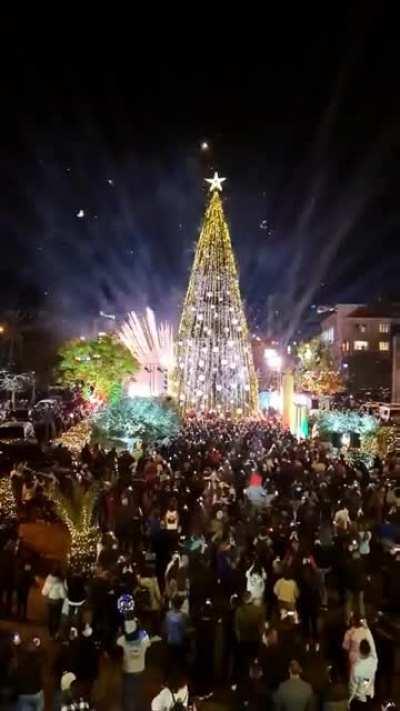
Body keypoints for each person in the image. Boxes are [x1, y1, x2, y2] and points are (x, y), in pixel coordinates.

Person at [117, 618, 151, 711]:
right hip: (140, 669)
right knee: (138, 692)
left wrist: (120, 632)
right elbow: (147, 641)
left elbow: (117, 641)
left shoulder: (123, 639)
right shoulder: (144, 637)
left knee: (128, 694)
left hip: (128, 670)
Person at [349, 639, 377, 708]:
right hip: (369, 695)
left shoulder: (357, 667)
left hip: (359, 698)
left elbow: (354, 685)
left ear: (360, 650)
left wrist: (350, 700)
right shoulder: (373, 662)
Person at [41, 567, 67, 638]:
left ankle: (50, 633)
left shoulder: (48, 581)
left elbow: (43, 592)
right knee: (57, 618)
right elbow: (63, 595)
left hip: (50, 601)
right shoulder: (60, 583)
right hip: (57, 602)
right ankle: (55, 632)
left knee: (50, 617)